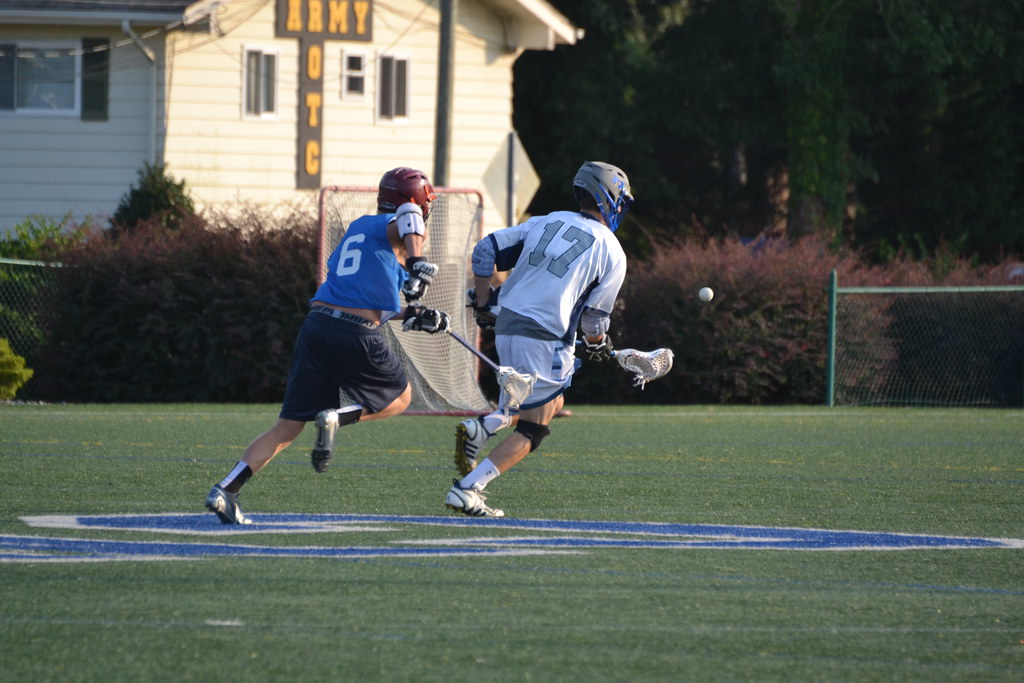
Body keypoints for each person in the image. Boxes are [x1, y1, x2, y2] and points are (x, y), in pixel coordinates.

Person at [205, 167, 451, 524]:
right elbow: (410, 214)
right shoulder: (403, 224)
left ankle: (226, 490)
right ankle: (335, 417)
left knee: (288, 426)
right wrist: (417, 264)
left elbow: (360, 294)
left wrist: (414, 314)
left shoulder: (359, 229)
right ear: (415, 201)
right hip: (353, 333)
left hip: (317, 326)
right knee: (401, 397)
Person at [445, 161, 633, 517]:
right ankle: (469, 487)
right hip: (546, 337)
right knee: (534, 428)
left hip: (507, 328)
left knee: (547, 405)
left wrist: (483, 303)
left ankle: (482, 428)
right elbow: (594, 320)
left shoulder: (545, 221)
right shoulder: (612, 249)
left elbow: (485, 251)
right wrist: (596, 345)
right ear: (611, 199)